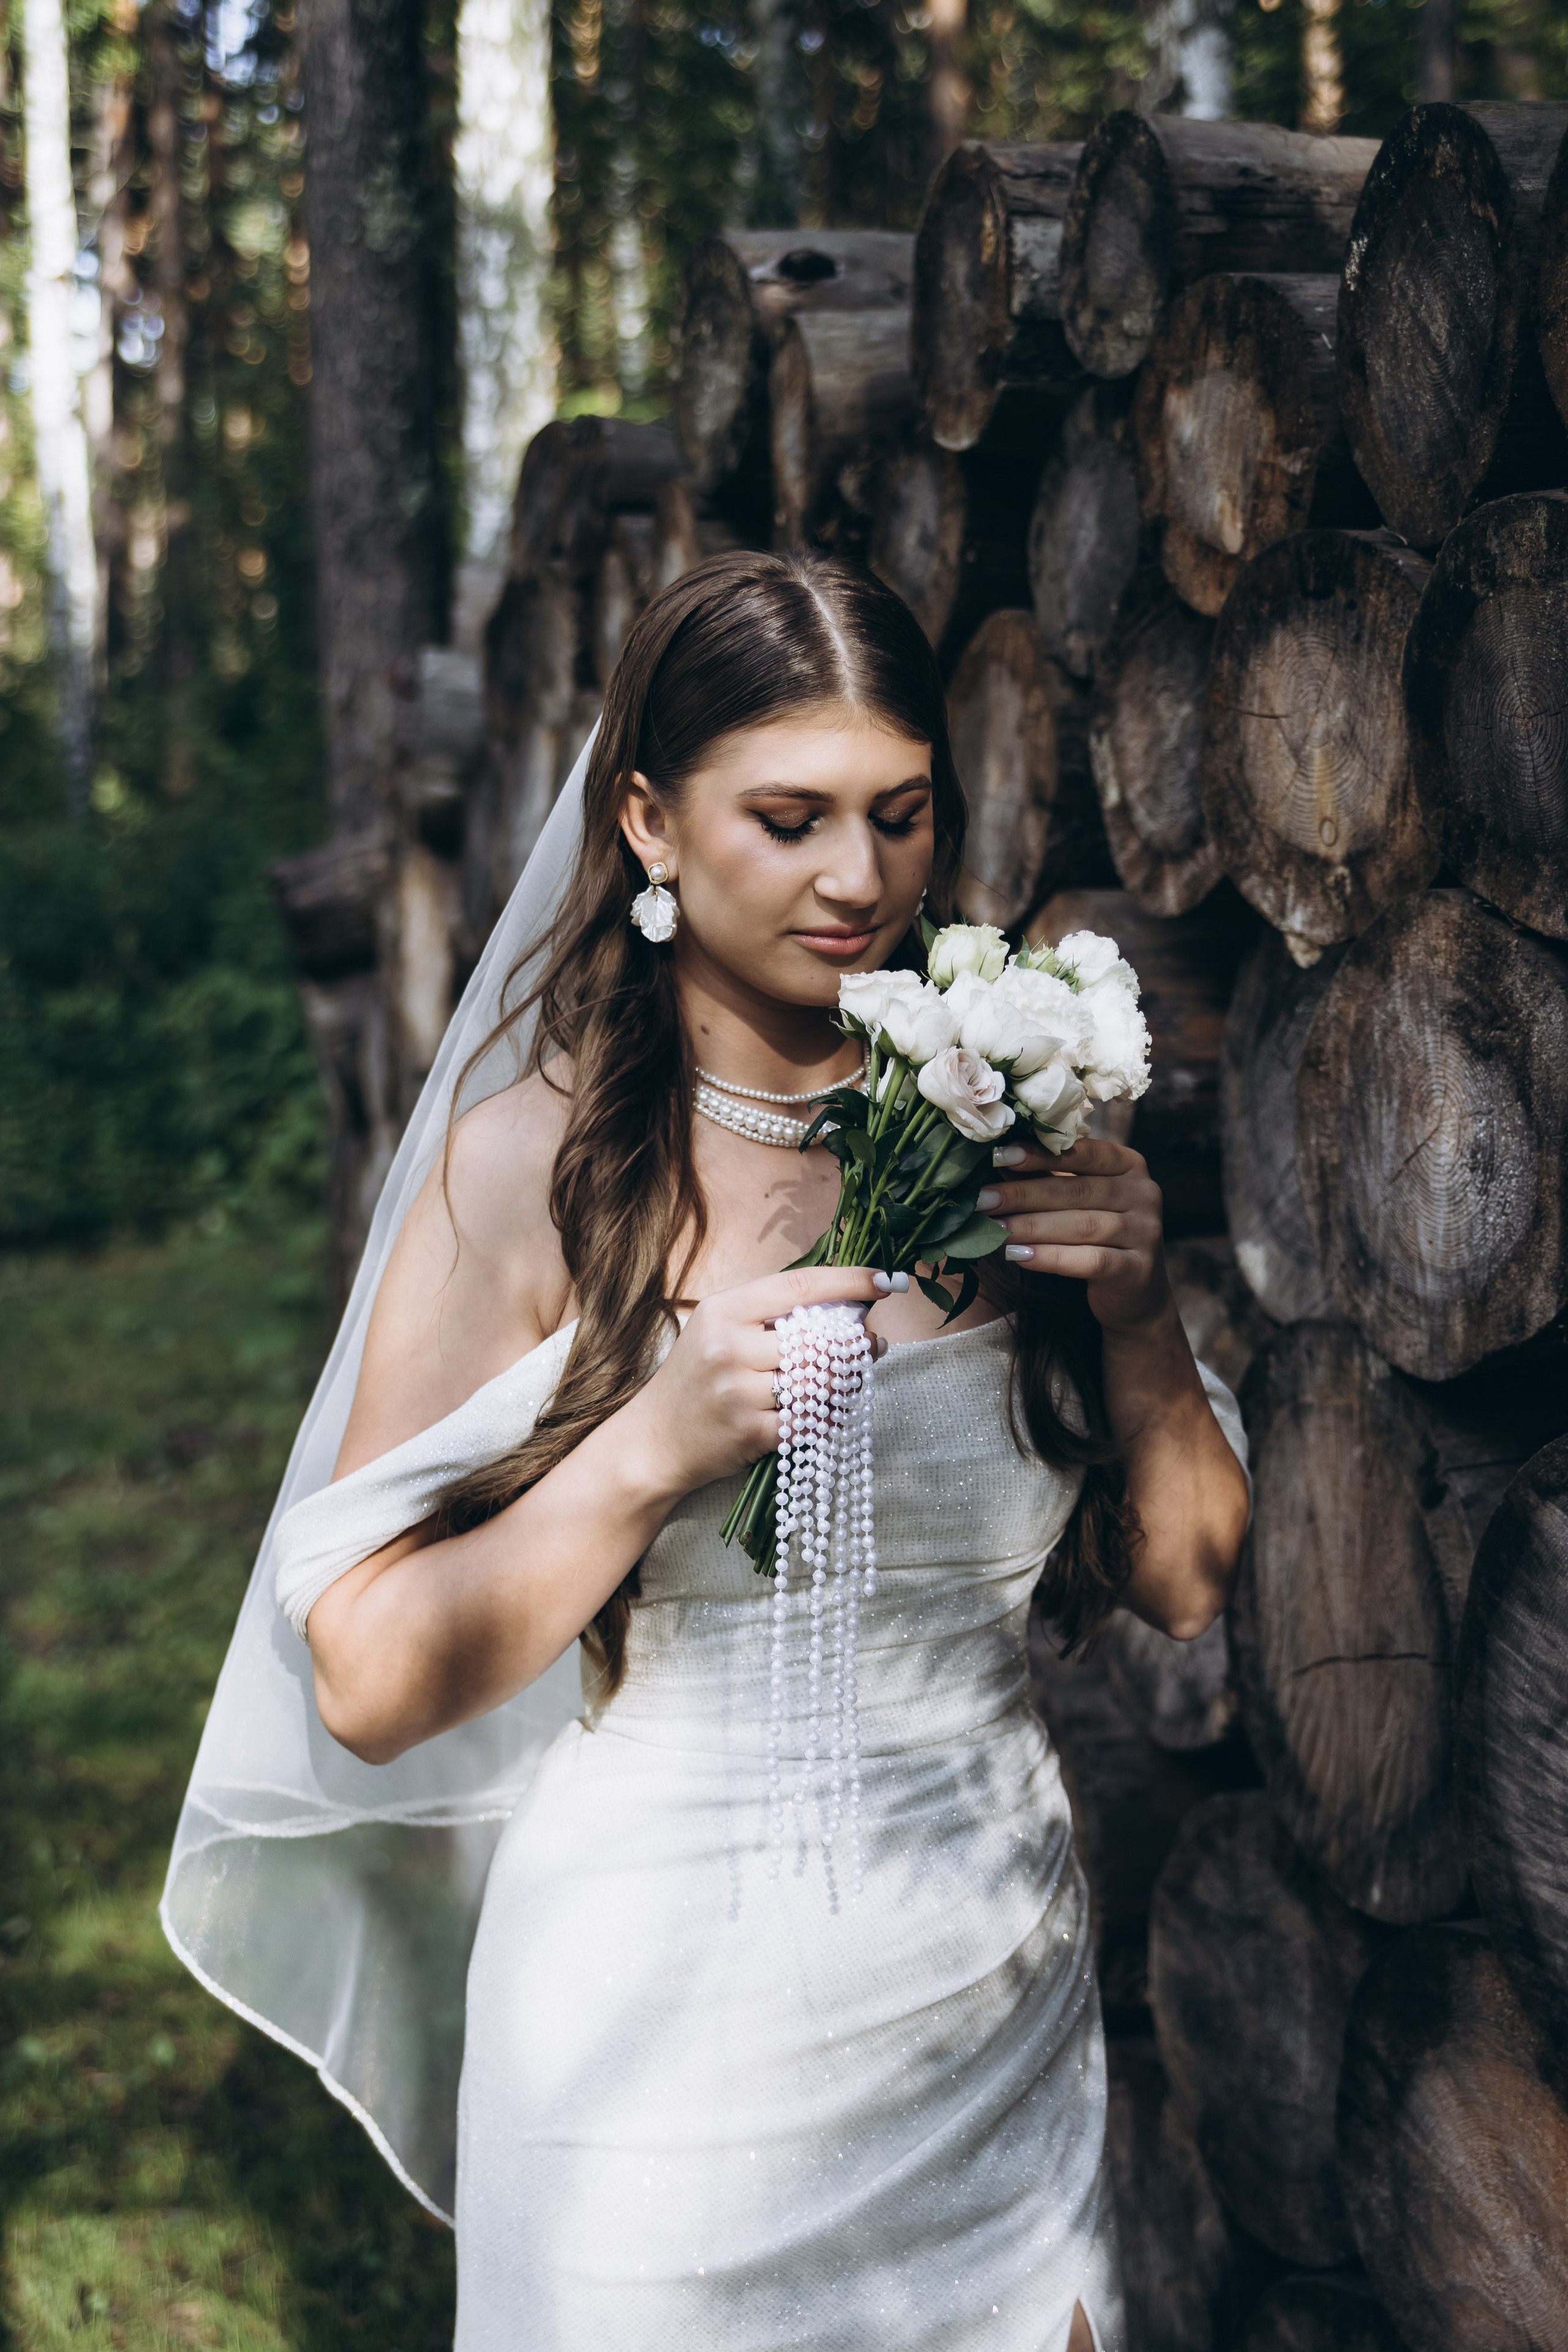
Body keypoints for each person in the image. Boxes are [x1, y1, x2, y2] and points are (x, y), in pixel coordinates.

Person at [167, 550, 1250, 2351]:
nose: (861, 879)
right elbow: (362, 1673)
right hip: (649, 2051)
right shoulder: (532, 1170)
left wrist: (1139, 1320)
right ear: (652, 825)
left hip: (982, 1998)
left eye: (902, 817)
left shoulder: (1009, 1123)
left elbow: (1195, 1582)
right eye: (792, 818)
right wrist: (645, 1447)